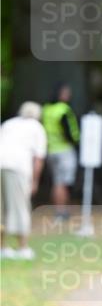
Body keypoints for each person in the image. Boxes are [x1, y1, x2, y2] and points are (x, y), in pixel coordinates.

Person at [0, 102, 47, 259]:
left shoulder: (9, 123)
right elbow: (38, 159)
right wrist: (34, 181)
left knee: (2, 209)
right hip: (17, 168)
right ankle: (23, 248)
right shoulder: (36, 127)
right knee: (21, 207)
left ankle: (2, 247)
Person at [42, 84, 80, 217]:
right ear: (60, 94)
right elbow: (69, 132)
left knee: (57, 182)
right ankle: (61, 211)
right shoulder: (63, 109)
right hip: (64, 150)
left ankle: (59, 209)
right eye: (66, 93)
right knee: (63, 182)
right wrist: (75, 141)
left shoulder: (46, 109)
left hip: (51, 150)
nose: (68, 95)